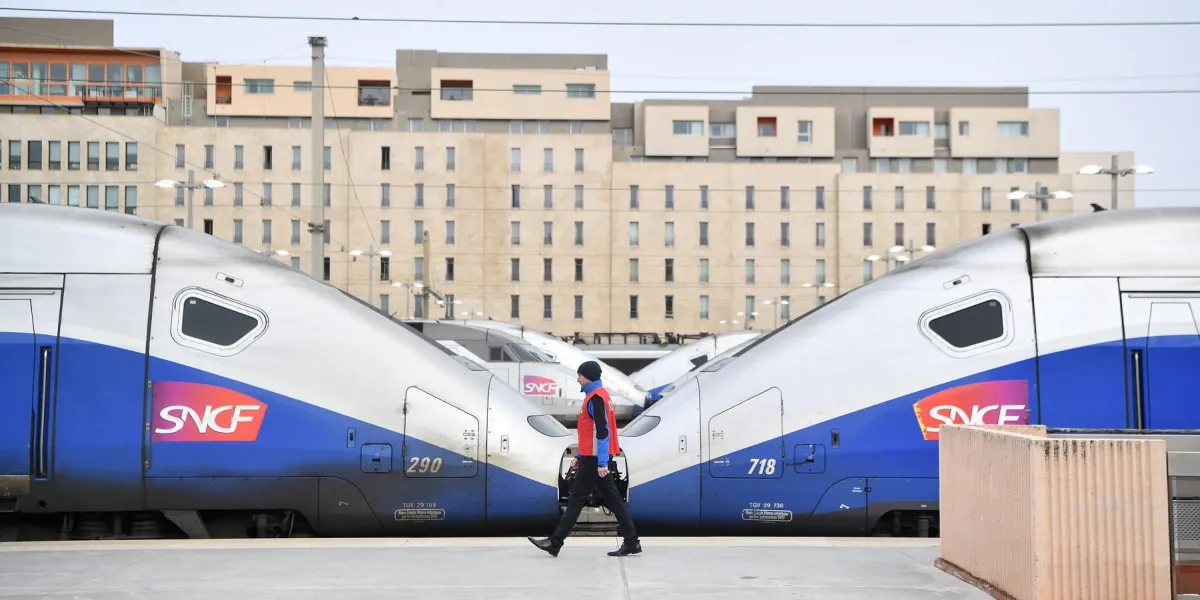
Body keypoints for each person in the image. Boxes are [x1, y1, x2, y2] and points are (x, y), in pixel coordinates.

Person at [528, 360, 641, 557]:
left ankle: (555, 543)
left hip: (595, 460)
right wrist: (580, 456)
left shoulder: (595, 398)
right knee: (612, 500)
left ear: (587, 376)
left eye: (579, 375)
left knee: (577, 500)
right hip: (592, 458)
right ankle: (632, 541)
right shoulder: (599, 396)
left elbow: (603, 432)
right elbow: (592, 433)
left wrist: (602, 463)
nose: (577, 379)